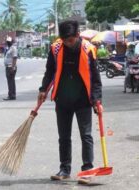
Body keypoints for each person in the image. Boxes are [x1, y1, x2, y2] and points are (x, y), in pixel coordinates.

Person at [37, 20, 102, 185]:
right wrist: (43, 89)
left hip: (83, 99)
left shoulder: (88, 49)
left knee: (86, 135)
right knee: (64, 137)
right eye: (64, 40)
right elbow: (50, 70)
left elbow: (95, 78)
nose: (67, 43)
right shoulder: (56, 48)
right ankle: (65, 169)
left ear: (77, 35)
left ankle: (87, 170)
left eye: (70, 40)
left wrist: (97, 100)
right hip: (62, 99)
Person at [3, 36, 18, 100]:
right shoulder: (9, 48)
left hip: (10, 67)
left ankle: (11, 95)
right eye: (7, 42)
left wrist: (13, 67)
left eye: (8, 42)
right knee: (11, 81)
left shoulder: (13, 48)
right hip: (8, 67)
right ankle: (12, 95)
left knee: (10, 81)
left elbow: (14, 58)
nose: (7, 43)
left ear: (11, 42)